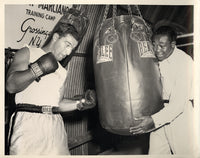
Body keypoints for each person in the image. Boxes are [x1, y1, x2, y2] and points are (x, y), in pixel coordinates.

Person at [6, 8, 96, 155]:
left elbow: (57, 104)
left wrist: (81, 104)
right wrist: (38, 68)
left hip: (55, 127)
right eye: (67, 44)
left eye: (71, 49)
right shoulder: (28, 52)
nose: (68, 52)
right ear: (55, 37)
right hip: (29, 124)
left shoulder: (62, 70)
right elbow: (10, 85)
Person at [129, 26, 197, 155]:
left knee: (185, 153)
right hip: (159, 112)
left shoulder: (185, 63)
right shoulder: (156, 60)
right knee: (155, 154)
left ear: (173, 44)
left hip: (180, 116)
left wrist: (153, 120)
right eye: (154, 45)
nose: (156, 50)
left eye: (161, 46)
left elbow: (178, 105)